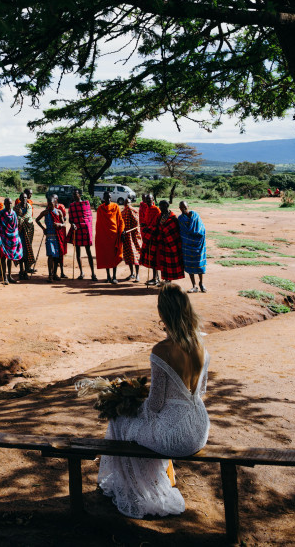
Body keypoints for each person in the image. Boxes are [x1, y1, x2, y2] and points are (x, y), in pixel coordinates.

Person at [98, 283, 210, 518]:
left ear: (162, 313)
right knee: (138, 426)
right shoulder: (201, 346)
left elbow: (156, 404)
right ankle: (149, 482)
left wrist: (133, 406)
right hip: (199, 431)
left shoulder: (162, 350)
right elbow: (202, 391)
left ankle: (137, 489)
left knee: (119, 423)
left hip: (175, 436)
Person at [95, 191, 125, 284]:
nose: (108, 199)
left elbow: (120, 220)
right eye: (107, 197)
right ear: (103, 198)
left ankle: (114, 276)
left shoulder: (115, 206)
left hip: (114, 235)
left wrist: (122, 231)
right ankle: (108, 276)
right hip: (104, 236)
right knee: (106, 256)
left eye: (110, 197)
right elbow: (99, 224)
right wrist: (99, 237)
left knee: (114, 256)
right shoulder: (100, 208)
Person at [67, 188, 97, 281]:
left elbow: (89, 218)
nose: (74, 196)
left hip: (86, 230)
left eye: (76, 194)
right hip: (77, 229)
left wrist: (87, 227)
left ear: (80, 194)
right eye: (73, 194)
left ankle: (93, 273)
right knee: (78, 252)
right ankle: (81, 272)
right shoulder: (72, 206)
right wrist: (73, 225)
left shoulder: (86, 204)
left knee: (88, 251)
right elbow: (70, 219)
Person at [151, 201, 184, 284]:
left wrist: (165, 234)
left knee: (170, 261)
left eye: (162, 206)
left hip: (170, 243)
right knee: (163, 262)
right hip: (161, 243)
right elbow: (156, 227)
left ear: (167, 206)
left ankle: (169, 280)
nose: (160, 208)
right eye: (160, 206)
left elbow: (175, 231)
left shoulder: (173, 218)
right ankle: (165, 279)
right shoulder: (159, 216)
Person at [178, 201, 207, 293]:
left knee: (199, 265)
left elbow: (202, 230)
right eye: (181, 208)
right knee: (189, 265)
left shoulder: (195, 216)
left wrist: (195, 237)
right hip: (187, 246)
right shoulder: (180, 219)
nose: (183, 209)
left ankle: (201, 283)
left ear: (188, 207)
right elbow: (181, 232)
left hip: (198, 245)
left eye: (185, 207)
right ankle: (194, 286)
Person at [0, 197, 24, 283]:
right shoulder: (1, 213)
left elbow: (16, 225)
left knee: (10, 258)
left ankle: (9, 276)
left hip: (13, 238)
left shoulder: (14, 213)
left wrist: (16, 235)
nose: (9, 205)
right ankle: (4, 277)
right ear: (4, 204)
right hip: (4, 237)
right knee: (3, 258)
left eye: (10, 203)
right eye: (7, 203)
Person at [36, 196, 66, 281]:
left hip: (57, 237)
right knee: (50, 256)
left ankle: (55, 274)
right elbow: (37, 220)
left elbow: (64, 224)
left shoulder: (58, 212)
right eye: (48, 204)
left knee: (56, 256)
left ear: (54, 203)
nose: (49, 206)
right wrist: (43, 228)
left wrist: (59, 224)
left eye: (51, 204)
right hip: (49, 236)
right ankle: (50, 275)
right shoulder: (45, 212)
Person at [139, 193, 161, 285]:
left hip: (154, 236)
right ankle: (155, 278)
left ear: (153, 200)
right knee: (151, 258)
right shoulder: (147, 209)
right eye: (147, 199)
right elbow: (146, 222)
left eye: (150, 199)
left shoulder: (156, 209)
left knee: (154, 257)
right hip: (148, 235)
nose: (148, 201)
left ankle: (155, 279)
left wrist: (150, 228)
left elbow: (158, 223)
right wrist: (144, 225)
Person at [120, 196, 142, 282]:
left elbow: (137, 224)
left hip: (133, 237)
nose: (127, 205)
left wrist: (129, 230)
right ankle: (132, 273)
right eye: (126, 203)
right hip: (126, 237)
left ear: (131, 203)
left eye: (128, 203)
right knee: (128, 256)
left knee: (135, 255)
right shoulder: (122, 212)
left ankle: (137, 275)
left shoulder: (134, 211)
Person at [14, 191, 35, 279]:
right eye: (23, 198)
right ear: (20, 199)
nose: (24, 199)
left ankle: (26, 271)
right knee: (20, 251)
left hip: (28, 230)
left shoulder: (29, 206)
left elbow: (28, 215)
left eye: (26, 198)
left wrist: (21, 218)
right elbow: (15, 217)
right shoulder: (16, 208)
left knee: (27, 250)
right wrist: (19, 219)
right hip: (20, 232)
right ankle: (21, 270)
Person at [51, 193, 68, 278]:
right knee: (54, 253)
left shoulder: (60, 207)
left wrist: (59, 223)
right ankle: (53, 272)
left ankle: (61, 272)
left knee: (61, 252)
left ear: (57, 199)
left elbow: (64, 219)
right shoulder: (50, 207)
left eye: (54, 199)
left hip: (61, 231)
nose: (53, 201)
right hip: (53, 232)